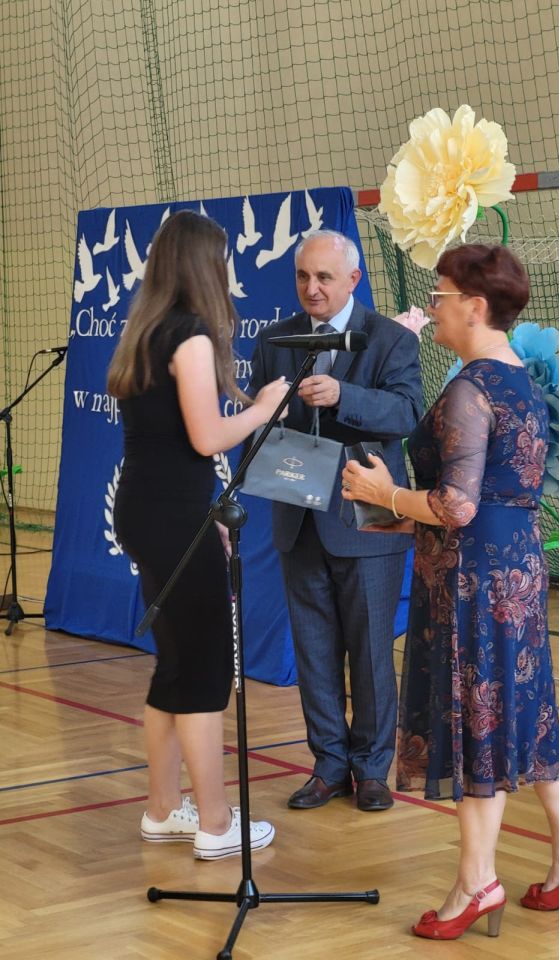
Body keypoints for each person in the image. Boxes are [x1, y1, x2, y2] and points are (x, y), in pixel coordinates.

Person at [342, 243, 559, 940]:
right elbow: (490, 496)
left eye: (440, 295)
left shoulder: (469, 388)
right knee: (530, 712)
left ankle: (476, 883)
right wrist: (400, 513)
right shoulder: (519, 380)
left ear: (475, 306)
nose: (432, 306)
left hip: (474, 582)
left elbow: (456, 506)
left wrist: (383, 492)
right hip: (514, 568)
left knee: (476, 724)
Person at [108, 210, 289, 859]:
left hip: (151, 511)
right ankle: (215, 823)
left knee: (177, 664)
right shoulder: (189, 337)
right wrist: (263, 409)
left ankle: (162, 810)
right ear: (202, 266)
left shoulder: (145, 333)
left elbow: (173, 446)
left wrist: (201, 518)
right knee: (207, 670)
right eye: (221, 260)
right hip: (170, 517)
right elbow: (208, 437)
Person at [249, 229, 423, 812]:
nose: (312, 288)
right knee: (314, 651)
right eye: (303, 276)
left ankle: (372, 770)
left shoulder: (390, 338)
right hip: (298, 515)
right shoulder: (275, 339)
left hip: (366, 519)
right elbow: (257, 417)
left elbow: (406, 412)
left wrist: (342, 395)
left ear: (353, 279)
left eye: (324, 277)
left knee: (371, 652)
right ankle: (328, 766)